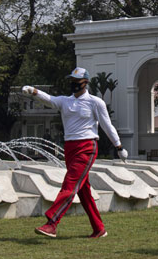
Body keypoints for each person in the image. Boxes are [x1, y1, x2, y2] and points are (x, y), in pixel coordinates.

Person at [22, 67, 127, 239]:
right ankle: (99, 229)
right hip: (70, 147)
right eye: (72, 81)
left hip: (87, 147)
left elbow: (107, 125)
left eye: (77, 81)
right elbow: (50, 100)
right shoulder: (65, 101)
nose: (74, 84)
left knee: (70, 184)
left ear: (85, 83)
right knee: (83, 190)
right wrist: (35, 92)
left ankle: (52, 223)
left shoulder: (95, 102)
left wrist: (119, 146)